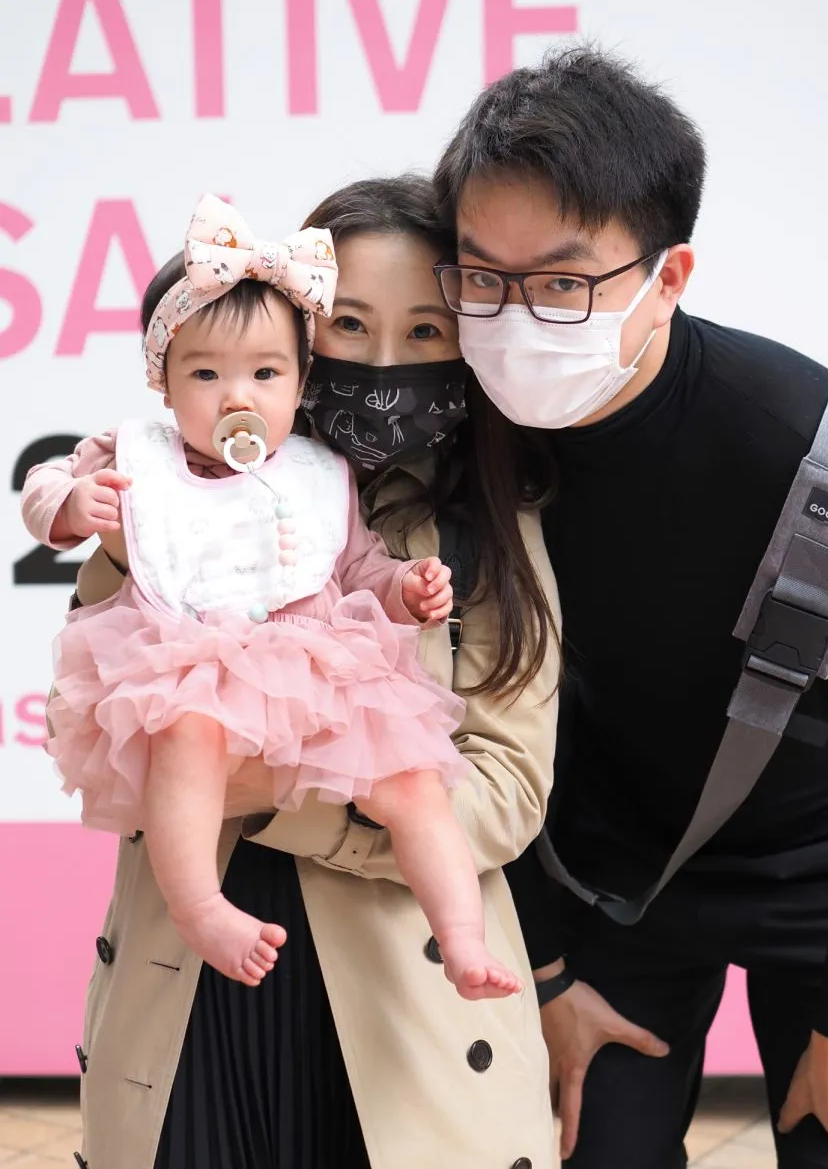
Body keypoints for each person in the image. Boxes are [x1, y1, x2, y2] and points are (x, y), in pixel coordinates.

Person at [434, 44, 828, 1169]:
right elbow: (460, 720)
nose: (512, 319)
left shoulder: (824, 459)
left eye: (562, 282)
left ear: (668, 276)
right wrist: (544, 968)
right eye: (481, 276)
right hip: (614, 883)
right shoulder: (459, 443)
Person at [56, 176, 560, 1169]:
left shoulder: (485, 527)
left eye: (425, 331)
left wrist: (280, 791)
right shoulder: (168, 484)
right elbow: (103, 704)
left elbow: (504, 794)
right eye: (351, 327)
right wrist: (107, 516)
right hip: (194, 992)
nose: (384, 363)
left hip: (401, 1010)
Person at [24, 194, 520, 1000]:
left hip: (322, 677)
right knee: (187, 732)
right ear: (162, 381)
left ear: (300, 381)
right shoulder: (138, 455)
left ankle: (462, 936)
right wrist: (74, 506)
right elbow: (44, 485)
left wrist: (404, 590)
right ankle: (199, 906)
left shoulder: (318, 472)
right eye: (205, 374)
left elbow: (355, 567)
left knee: (411, 782)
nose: (237, 397)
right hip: (196, 667)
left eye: (265, 373)